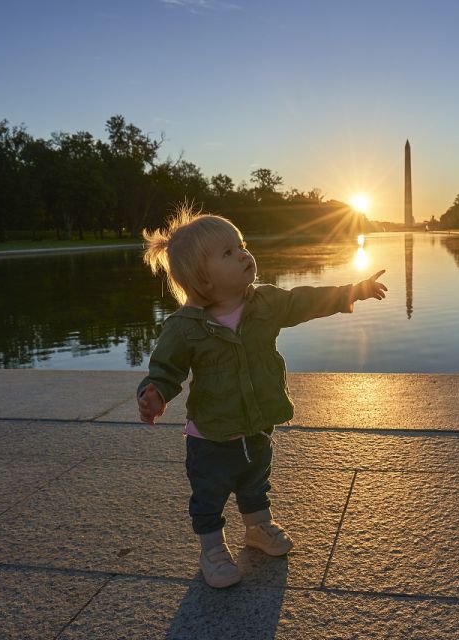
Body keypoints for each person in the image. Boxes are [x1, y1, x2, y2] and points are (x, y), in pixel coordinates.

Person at [137, 206, 387, 588]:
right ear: (201, 278)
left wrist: (351, 291)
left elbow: (304, 300)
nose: (243, 255)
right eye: (228, 253)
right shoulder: (184, 327)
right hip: (212, 436)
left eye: (241, 246)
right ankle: (212, 549)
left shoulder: (265, 304)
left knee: (255, 482)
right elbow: (166, 371)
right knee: (210, 495)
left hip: (257, 424)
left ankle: (257, 528)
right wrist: (154, 394)